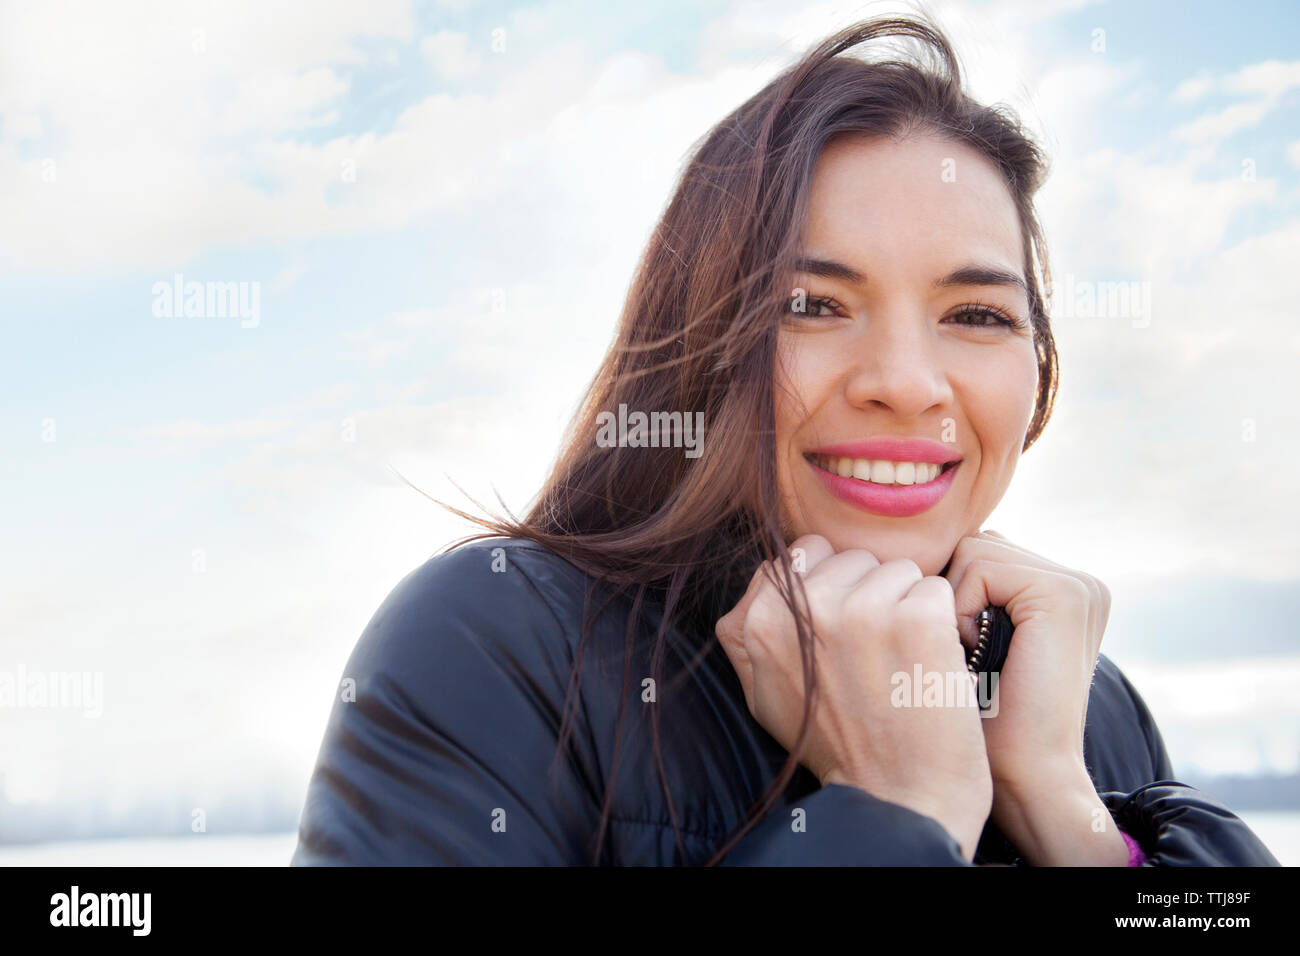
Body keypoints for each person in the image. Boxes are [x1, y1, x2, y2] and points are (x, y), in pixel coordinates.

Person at [291, 15, 1280, 866]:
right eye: (812, 304)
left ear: (1038, 367)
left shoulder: (1078, 703)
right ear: (699, 344)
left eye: (976, 315)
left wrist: (1072, 818)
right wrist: (900, 812)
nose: (903, 381)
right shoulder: (497, 645)